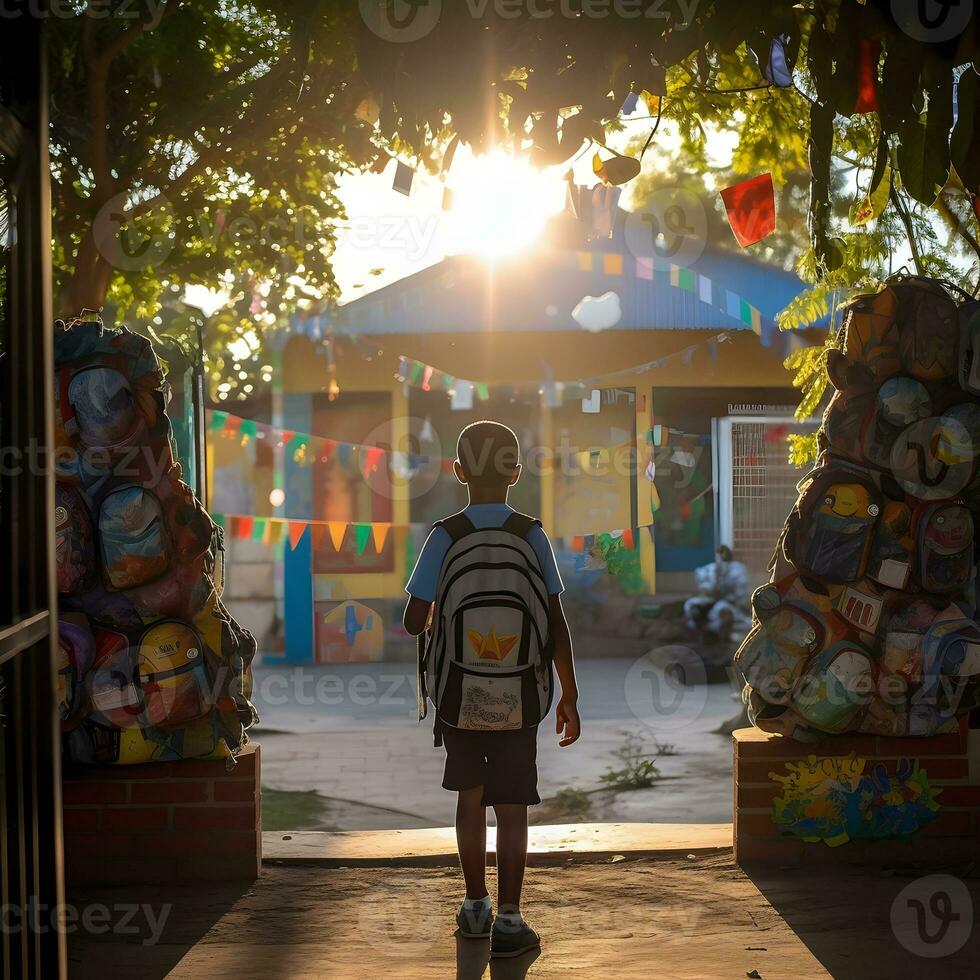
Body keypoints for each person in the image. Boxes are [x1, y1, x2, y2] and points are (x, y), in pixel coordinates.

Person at [403, 420, 580, 960]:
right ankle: (510, 919)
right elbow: (554, 620)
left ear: (458, 472)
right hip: (521, 696)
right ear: (516, 473)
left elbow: (413, 621)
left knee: (470, 796)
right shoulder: (532, 534)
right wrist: (569, 695)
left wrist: (439, 611)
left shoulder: (443, 535)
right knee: (513, 804)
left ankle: (474, 905)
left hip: (459, 694)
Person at [683, 544, 751, 642]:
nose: (722, 556)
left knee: (721, 610)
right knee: (691, 605)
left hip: (730, 604)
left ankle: (719, 633)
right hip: (711, 601)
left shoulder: (738, 570)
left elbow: (741, 594)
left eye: (723, 553)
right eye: (720, 554)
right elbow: (705, 589)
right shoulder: (711, 569)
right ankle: (697, 630)